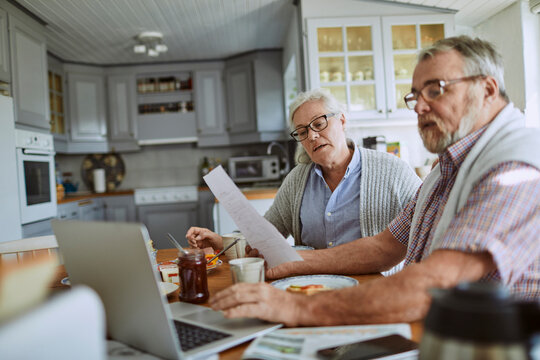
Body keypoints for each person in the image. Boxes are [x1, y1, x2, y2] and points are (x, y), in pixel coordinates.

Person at [209, 35, 540, 327]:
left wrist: (295, 306)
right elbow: (385, 246)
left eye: (435, 89)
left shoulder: (515, 167)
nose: (420, 107)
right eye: (415, 95)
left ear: (487, 89)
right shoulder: (447, 168)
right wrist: (291, 263)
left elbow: (431, 286)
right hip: (442, 331)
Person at [187, 88, 421, 274]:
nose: (312, 136)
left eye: (319, 124)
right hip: (310, 288)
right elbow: (265, 237)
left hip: (372, 291)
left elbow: (427, 228)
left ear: (341, 120)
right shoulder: (297, 180)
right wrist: (218, 241)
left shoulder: (393, 171)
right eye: (302, 132)